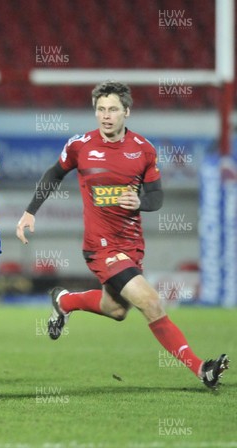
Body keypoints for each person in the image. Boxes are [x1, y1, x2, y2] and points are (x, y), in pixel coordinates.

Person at [16, 81, 229, 389]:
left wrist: (140, 201)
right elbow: (54, 173)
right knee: (151, 303)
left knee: (116, 310)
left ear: (126, 112)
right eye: (101, 109)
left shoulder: (143, 150)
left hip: (131, 247)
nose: (106, 116)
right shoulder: (80, 145)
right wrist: (30, 211)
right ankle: (201, 369)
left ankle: (65, 301)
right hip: (100, 248)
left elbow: (157, 197)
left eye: (113, 109)